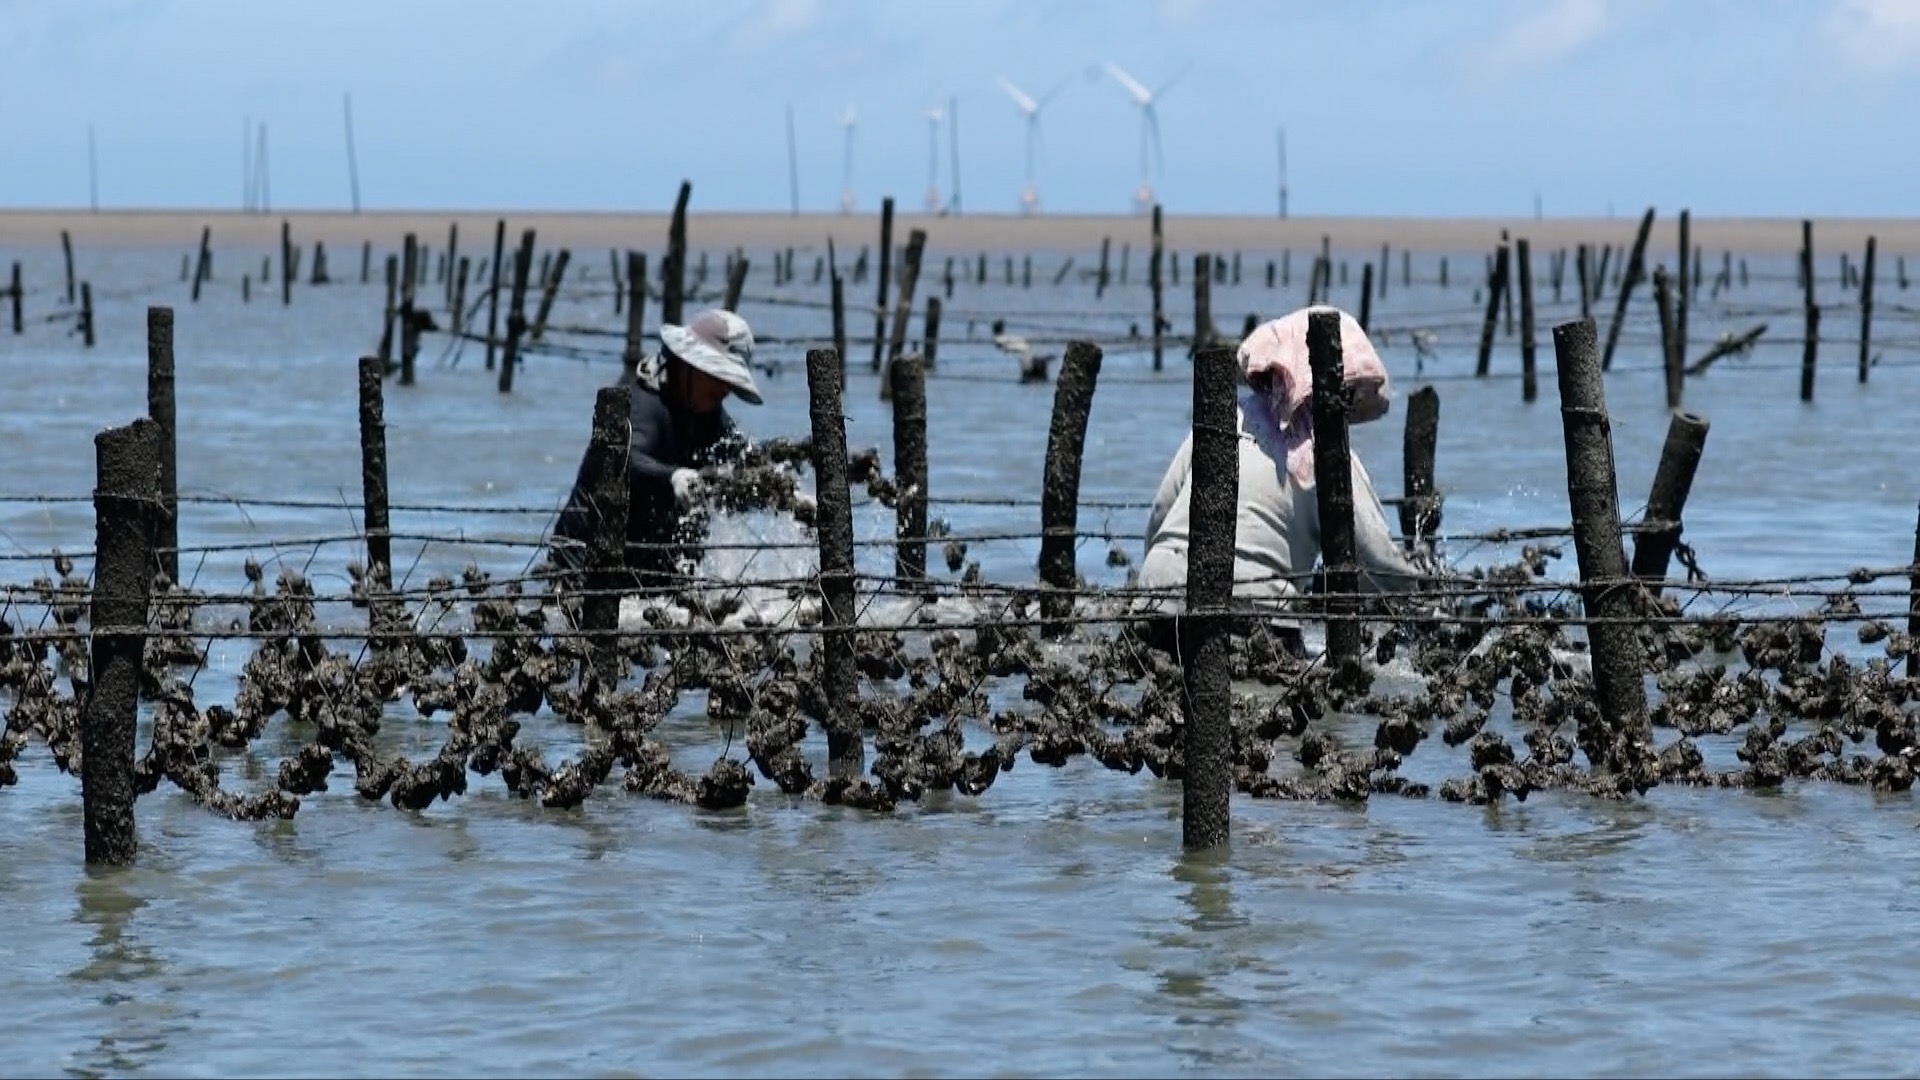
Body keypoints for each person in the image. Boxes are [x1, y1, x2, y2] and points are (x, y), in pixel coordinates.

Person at [1135, 305, 1437, 652]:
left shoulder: (1219, 424)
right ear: (1342, 392)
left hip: (1155, 596)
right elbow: (1376, 562)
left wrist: (1160, 581)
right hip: (1252, 617)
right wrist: (1425, 599)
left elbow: (1160, 514)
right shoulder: (1328, 458)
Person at [549, 308, 763, 592]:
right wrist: (674, 478)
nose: (725, 389)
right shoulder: (642, 405)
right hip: (586, 575)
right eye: (718, 376)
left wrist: (784, 492)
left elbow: (744, 469)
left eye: (730, 383)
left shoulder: (707, 413)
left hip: (656, 582)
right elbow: (626, 462)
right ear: (689, 364)